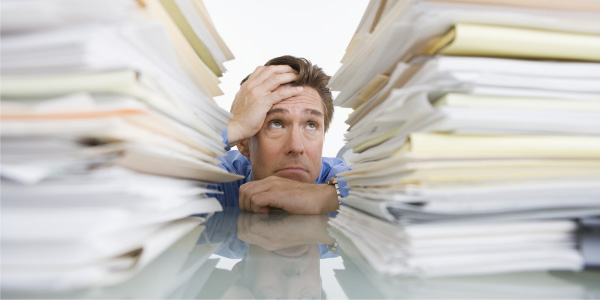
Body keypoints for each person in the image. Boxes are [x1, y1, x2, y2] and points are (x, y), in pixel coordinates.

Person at [210, 55, 349, 214]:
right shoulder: (221, 180)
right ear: (244, 143)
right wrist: (235, 127)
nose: (296, 147)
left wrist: (327, 197)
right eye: (276, 124)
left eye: (311, 125)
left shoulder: (338, 177)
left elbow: (382, 188)